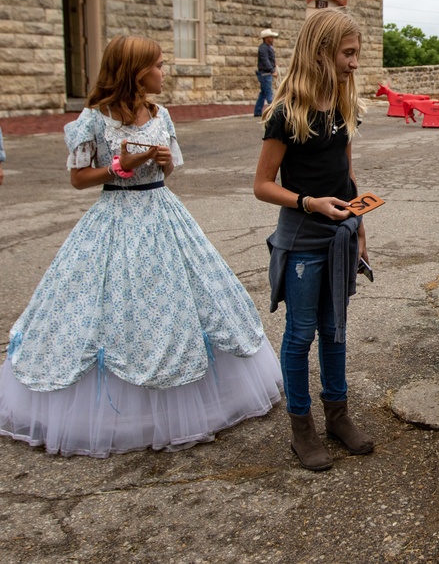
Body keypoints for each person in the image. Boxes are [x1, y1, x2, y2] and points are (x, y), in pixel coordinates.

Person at [0, 35, 282, 457]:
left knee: (179, 305)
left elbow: (168, 173)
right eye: (158, 66)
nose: (163, 72)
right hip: (114, 214)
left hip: (162, 212)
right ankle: (116, 414)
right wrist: (119, 165)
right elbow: (78, 179)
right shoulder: (95, 118)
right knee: (111, 308)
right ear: (136, 72)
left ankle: (188, 396)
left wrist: (165, 164)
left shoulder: (160, 114)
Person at [253, 8, 375, 471]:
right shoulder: (285, 114)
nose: (354, 63)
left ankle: (338, 417)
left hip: (340, 235)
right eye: (347, 53)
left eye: (356, 54)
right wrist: (310, 202)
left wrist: (359, 226)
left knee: (335, 331)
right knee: (301, 333)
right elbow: (263, 185)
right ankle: (301, 428)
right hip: (303, 237)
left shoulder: (345, 107)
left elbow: (347, 175)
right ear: (321, 52)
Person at [255, 28, 279, 118]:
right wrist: (272, 70)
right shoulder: (263, 48)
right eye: (271, 37)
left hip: (265, 73)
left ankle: (257, 111)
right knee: (269, 92)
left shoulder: (267, 47)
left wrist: (274, 64)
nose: (272, 39)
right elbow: (265, 60)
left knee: (263, 93)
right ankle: (273, 111)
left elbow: (268, 59)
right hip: (265, 73)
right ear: (266, 38)